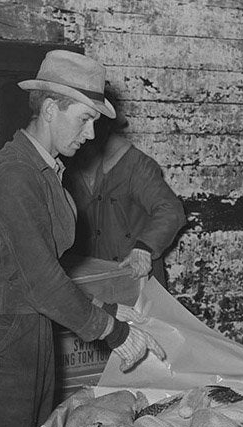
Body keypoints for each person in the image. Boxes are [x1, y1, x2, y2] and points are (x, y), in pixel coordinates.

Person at [0, 50, 165, 427]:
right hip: (1, 332)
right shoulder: (14, 176)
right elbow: (41, 281)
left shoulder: (44, 171)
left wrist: (109, 309)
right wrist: (114, 332)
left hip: (31, 324)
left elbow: (39, 274)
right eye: (85, 119)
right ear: (52, 109)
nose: (91, 135)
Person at [63, 91, 185, 287]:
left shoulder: (134, 164)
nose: (89, 132)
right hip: (88, 279)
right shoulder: (64, 164)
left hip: (135, 276)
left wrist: (143, 248)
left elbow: (170, 210)